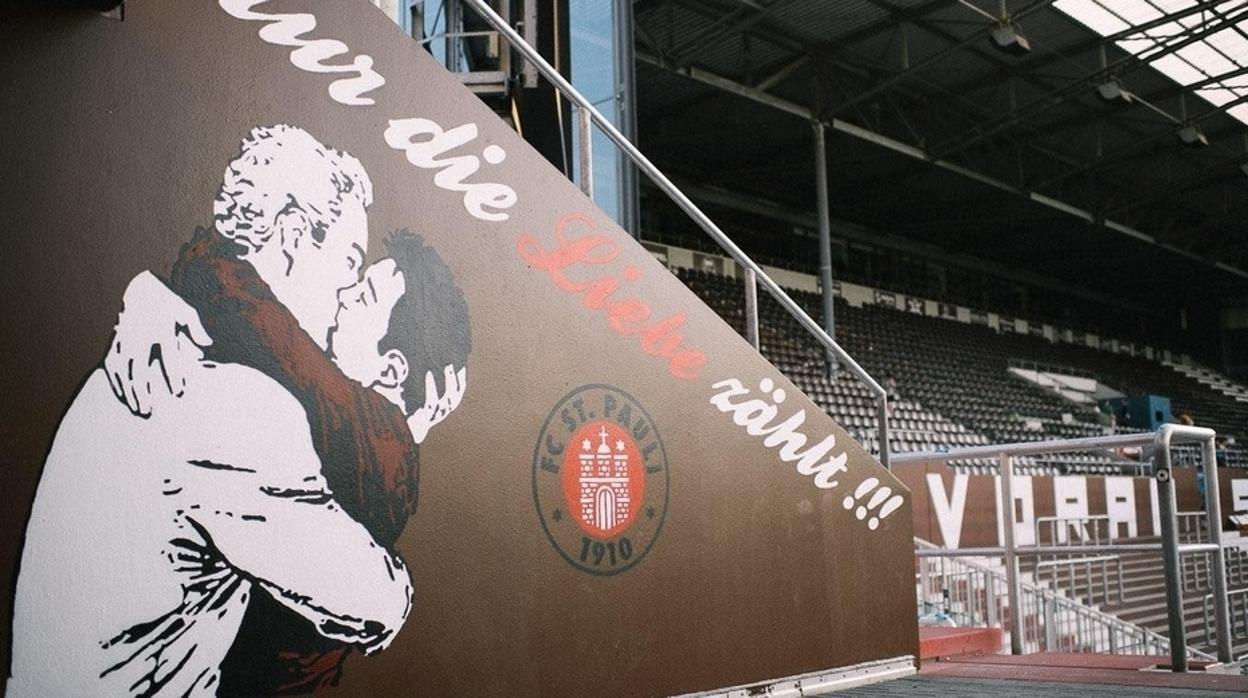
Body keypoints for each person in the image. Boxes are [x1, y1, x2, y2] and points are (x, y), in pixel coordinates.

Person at [10, 126, 472, 695]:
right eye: (349, 263)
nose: (344, 299)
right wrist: (401, 588)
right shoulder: (236, 406)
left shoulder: (162, 354)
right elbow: (367, 602)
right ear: (294, 234)